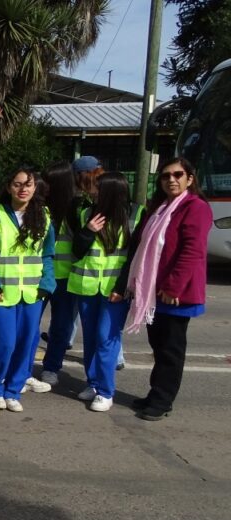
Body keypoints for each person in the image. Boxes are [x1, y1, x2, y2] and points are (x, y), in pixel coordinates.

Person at [120, 157, 212, 421]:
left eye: (178, 174)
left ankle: (162, 400)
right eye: (166, 175)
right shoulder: (159, 208)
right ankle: (156, 392)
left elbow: (192, 251)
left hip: (175, 294)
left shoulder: (195, 207)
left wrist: (173, 287)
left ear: (190, 179)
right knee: (158, 346)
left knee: (171, 349)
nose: (171, 179)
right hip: (154, 290)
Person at [0, 167, 55, 413]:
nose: (23, 189)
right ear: (8, 187)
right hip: (0, 293)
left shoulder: (44, 215)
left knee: (25, 345)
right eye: (17, 184)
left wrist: (47, 284)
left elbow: (47, 254)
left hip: (32, 293)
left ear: (35, 188)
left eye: (28, 184)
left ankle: (13, 390)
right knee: (4, 344)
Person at [68, 172, 141, 412]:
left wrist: (121, 288)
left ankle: (105, 392)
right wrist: (88, 231)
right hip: (87, 286)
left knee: (105, 338)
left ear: (111, 191)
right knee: (90, 337)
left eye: (98, 188)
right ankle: (93, 382)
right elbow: (77, 251)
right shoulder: (87, 214)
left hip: (115, 291)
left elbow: (135, 257)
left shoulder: (135, 215)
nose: (93, 192)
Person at [37, 161, 80, 387]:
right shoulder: (38, 207)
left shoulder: (76, 210)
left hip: (65, 279)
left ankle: (52, 367)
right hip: (38, 276)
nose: (42, 185)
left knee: (61, 327)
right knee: (29, 325)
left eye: (48, 181)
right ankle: (21, 367)